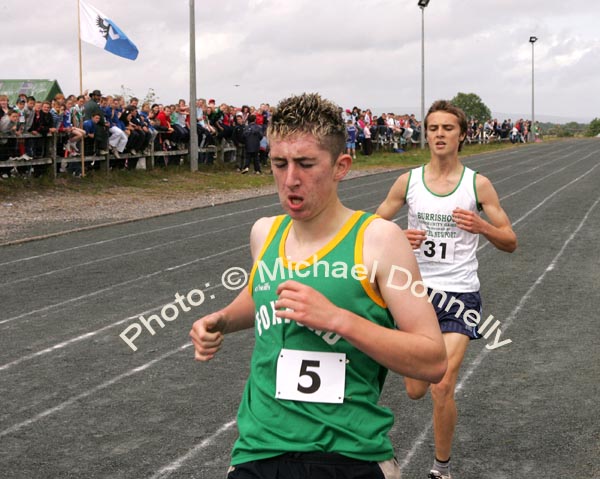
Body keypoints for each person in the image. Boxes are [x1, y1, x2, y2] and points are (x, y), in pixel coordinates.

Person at [190, 92, 447, 479]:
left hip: (349, 455)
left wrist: (338, 320)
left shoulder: (378, 240)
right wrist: (223, 319)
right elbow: (261, 292)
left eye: (306, 164)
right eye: (279, 163)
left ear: (341, 166)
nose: (291, 179)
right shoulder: (265, 233)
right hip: (258, 452)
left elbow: (432, 359)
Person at [376, 99, 517, 479]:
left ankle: (441, 469)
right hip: (414, 294)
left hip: (459, 295)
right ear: (426, 134)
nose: (439, 134)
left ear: (462, 135)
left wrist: (482, 226)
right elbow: (369, 229)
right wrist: (396, 237)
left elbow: (510, 240)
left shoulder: (477, 184)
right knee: (415, 390)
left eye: (448, 128)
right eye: (434, 128)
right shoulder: (409, 181)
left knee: (442, 386)